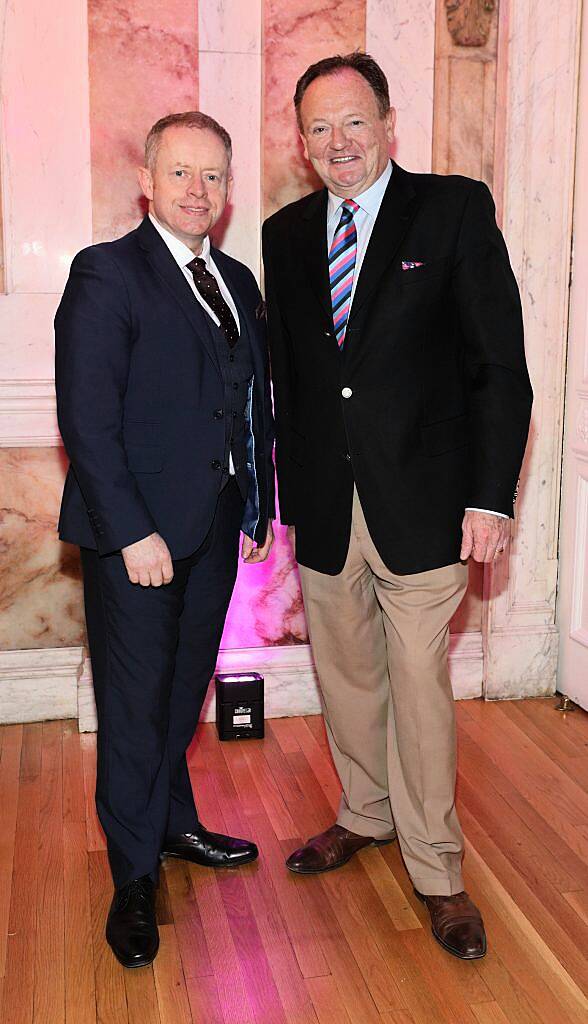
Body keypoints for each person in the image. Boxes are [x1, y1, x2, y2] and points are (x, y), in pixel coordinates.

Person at [262, 53, 532, 960]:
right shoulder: (285, 233)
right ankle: (365, 814)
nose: (338, 143)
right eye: (319, 128)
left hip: (427, 504)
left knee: (418, 685)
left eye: (354, 122)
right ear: (301, 142)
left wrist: (491, 499)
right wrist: (278, 490)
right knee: (346, 678)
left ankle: (439, 872)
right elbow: (293, 379)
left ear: (387, 123)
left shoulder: (454, 210)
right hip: (328, 505)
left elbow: (500, 369)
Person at [55, 112, 275, 968]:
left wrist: (256, 505)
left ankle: (175, 824)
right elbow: (89, 420)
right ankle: (133, 877)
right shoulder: (106, 274)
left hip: (216, 530)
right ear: (148, 179)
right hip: (137, 541)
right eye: (181, 174)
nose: (198, 192)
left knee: (184, 692)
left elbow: (251, 402)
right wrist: (132, 531)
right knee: (137, 709)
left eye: (213, 177)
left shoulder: (236, 279)